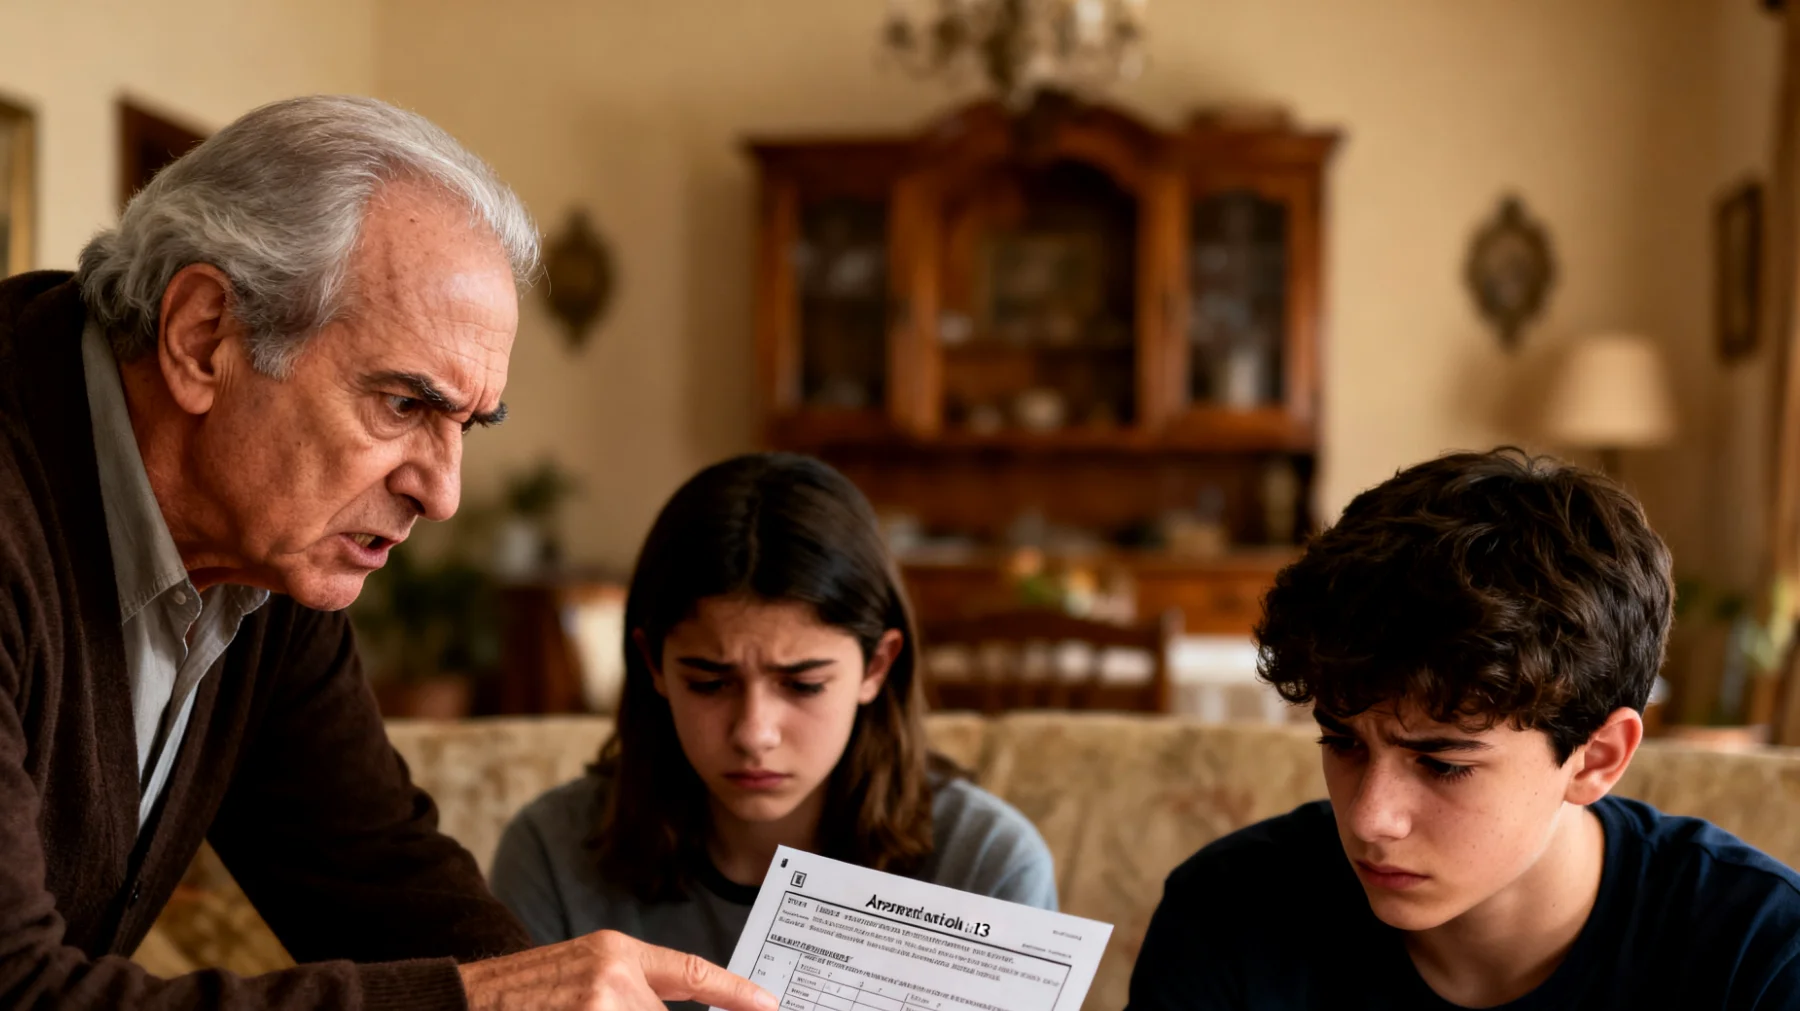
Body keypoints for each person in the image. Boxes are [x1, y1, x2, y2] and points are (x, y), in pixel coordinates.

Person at [0, 95, 771, 1011]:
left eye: (465, 425)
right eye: (404, 406)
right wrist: (475, 1004)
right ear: (204, 338)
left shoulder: (264, 552)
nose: (441, 494)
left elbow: (378, 875)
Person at [1127, 448, 1800, 1010]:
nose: (1369, 818)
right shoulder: (1226, 912)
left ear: (1595, 757)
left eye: (1442, 763)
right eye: (1343, 742)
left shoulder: (1760, 954)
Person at [490, 453, 1056, 1008]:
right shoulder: (552, 856)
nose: (754, 733)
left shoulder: (987, 866)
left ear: (877, 667)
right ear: (654, 665)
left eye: (803, 685)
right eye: (710, 683)